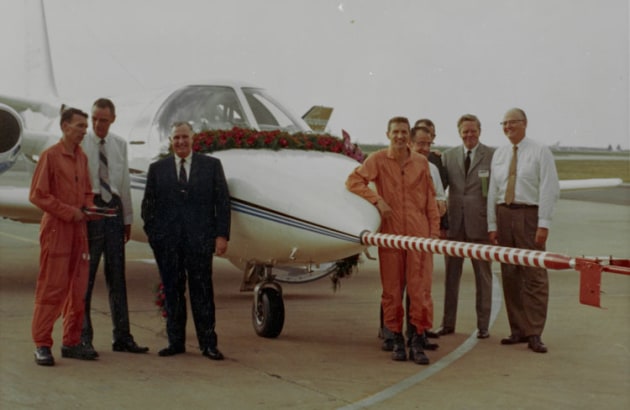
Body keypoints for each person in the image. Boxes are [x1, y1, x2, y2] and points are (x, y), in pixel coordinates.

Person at [347, 116, 440, 365]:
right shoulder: (377, 160)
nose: (400, 136)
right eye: (395, 132)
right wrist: (377, 200)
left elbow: (430, 200)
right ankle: (396, 338)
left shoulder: (421, 163)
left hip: (419, 236)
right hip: (391, 236)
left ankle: (417, 340)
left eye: (404, 132)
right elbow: (353, 181)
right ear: (388, 134)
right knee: (392, 291)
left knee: (420, 290)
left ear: (409, 135)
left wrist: (434, 234)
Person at [142, 121, 231, 360]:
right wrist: (155, 238)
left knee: (202, 293)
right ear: (170, 141)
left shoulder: (211, 166)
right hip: (168, 244)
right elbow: (148, 208)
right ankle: (175, 342)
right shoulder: (157, 169)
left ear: (193, 139)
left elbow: (222, 203)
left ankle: (208, 344)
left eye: (184, 137)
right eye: (176, 138)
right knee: (172, 293)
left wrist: (221, 236)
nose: (180, 142)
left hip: (200, 242)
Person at [487, 108, 560, 354]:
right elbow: (492, 192)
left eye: (512, 123)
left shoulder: (540, 151)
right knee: (510, 273)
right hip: (504, 213)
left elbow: (549, 188)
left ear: (525, 124)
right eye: (504, 123)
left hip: (529, 216)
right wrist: (492, 225)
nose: (508, 127)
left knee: (534, 275)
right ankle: (517, 329)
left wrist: (544, 223)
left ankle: (534, 332)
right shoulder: (500, 154)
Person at [29, 107, 98, 366]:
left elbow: (88, 192)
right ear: (64, 127)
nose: (84, 131)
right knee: (52, 286)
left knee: (78, 288)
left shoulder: (82, 157)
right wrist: (69, 212)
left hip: (79, 230)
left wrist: (91, 208)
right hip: (57, 229)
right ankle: (42, 344)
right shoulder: (50, 156)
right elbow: (37, 194)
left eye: (85, 127)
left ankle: (71, 341)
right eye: (80, 126)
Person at [80, 98, 148, 356]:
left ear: (113, 120)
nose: (98, 124)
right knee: (85, 280)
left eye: (104, 120)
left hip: (115, 212)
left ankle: (122, 337)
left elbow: (124, 183)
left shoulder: (119, 145)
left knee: (117, 278)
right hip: (92, 210)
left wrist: (128, 220)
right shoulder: (82, 143)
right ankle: (83, 337)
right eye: (95, 118)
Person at [438, 114, 495, 339]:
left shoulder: (492, 156)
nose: (469, 135)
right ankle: (447, 323)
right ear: (459, 132)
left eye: (473, 130)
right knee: (451, 278)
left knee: (484, 277)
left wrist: (493, 225)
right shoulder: (447, 156)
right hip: (455, 226)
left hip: (480, 226)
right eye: (465, 131)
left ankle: (483, 326)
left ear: (480, 131)